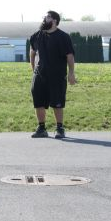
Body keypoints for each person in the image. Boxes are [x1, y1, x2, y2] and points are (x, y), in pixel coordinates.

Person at [28, 10, 76, 139]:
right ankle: (41, 128)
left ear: (55, 21)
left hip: (57, 75)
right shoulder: (37, 35)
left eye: (48, 17)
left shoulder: (63, 37)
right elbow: (32, 50)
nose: (45, 18)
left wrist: (71, 73)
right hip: (39, 75)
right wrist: (33, 68)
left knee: (57, 102)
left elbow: (70, 56)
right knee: (38, 101)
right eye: (45, 16)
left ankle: (60, 128)